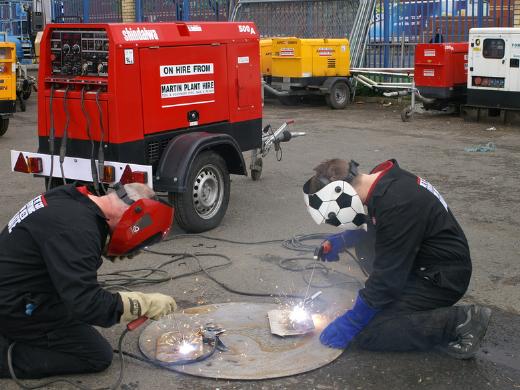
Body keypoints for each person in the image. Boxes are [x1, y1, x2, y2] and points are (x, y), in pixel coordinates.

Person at [302, 158, 491, 359]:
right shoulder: (384, 182)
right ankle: (411, 308)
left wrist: (354, 321)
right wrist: (343, 239)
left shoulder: (397, 203)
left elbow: (387, 279)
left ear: (340, 196)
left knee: (369, 332)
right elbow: (383, 227)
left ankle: (460, 321)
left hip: (442, 279)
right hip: (425, 262)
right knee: (373, 299)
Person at [0, 182, 177, 379]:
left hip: (19, 285)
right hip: (12, 305)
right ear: (135, 217)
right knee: (96, 355)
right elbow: (87, 304)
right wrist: (142, 304)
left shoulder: (69, 197)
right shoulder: (77, 229)